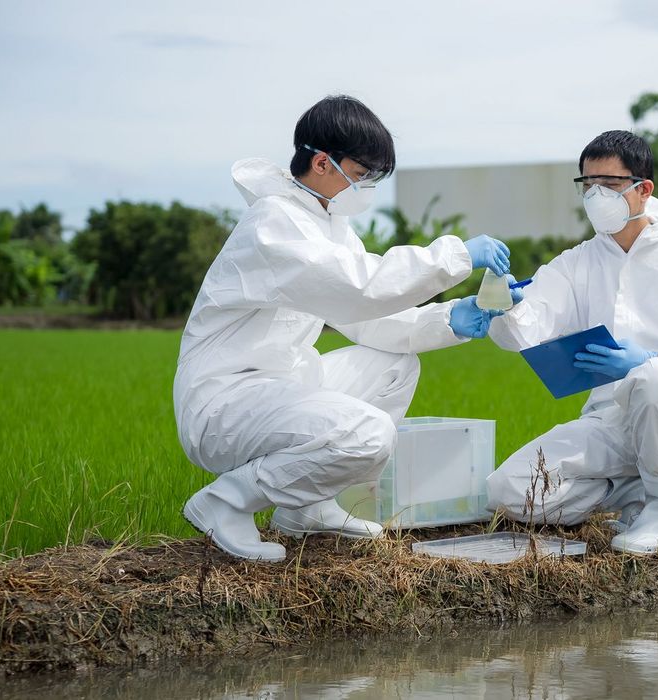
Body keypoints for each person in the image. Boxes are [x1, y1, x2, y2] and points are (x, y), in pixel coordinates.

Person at [175, 95, 512, 562]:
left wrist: (447, 319)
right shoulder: (274, 224)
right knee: (369, 435)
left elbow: (365, 317)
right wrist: (455, 255)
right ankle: (225, 502)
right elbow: (361, 288)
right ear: (321, 162)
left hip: (279, 389)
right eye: (361, 174)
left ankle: (305, 508)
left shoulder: (325, 223)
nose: (366, 187)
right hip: (226, 404)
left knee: (395, 365)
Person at [485, 130, 658, 554]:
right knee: (508, 489)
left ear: (643, 189)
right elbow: (524, 332)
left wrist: (653, 359)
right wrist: (506, 305)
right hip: (610, 421)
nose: (596, 196)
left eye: (609, 186)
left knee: (655, 378)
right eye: (587, 186)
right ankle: (635, 495)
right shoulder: (575, 263)